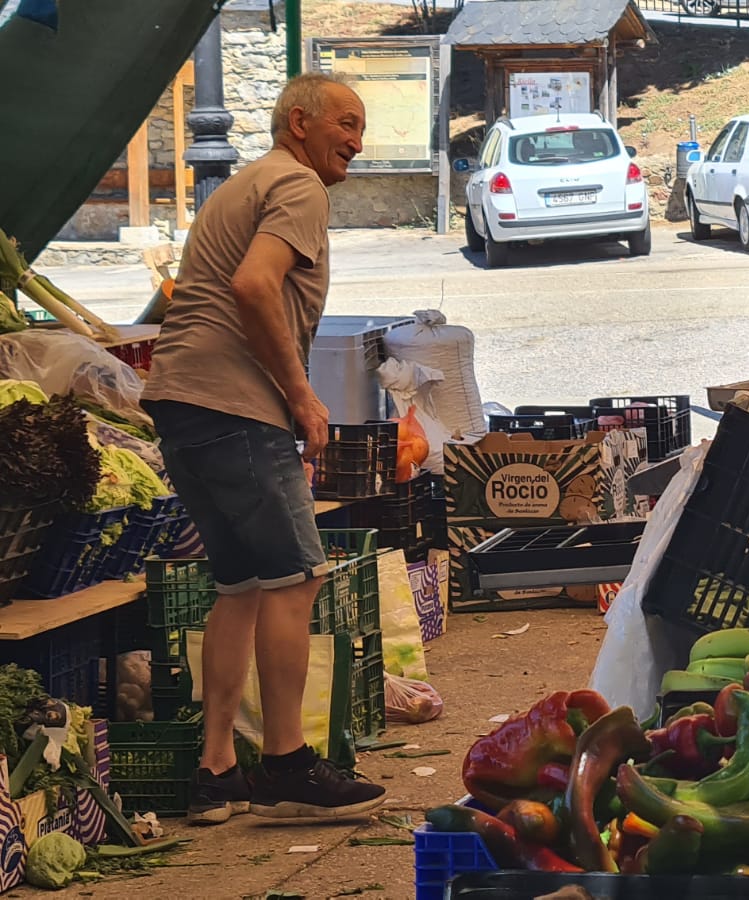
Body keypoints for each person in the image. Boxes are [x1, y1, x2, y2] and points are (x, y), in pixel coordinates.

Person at [142, 73, 386, 823]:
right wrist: (301, 395)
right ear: (299, 120)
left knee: (241, 587)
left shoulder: (248, 183)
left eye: (361, 128)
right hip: (233, 404)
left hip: (183, 403)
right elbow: (254, 286)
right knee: (295, 579)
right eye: (345, 123)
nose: (356, 139)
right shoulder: (297, 185)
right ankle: (285, 759)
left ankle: (217, 771)